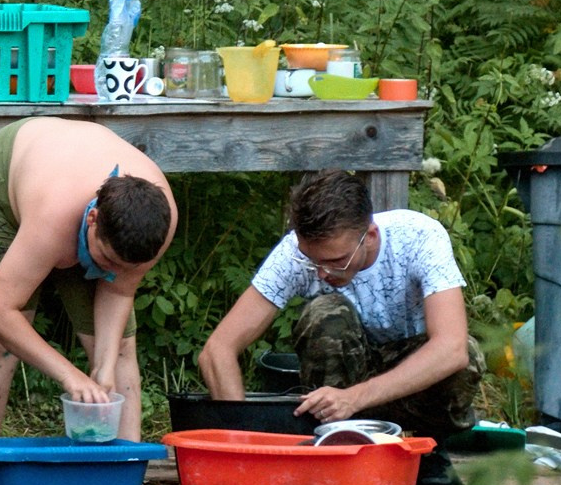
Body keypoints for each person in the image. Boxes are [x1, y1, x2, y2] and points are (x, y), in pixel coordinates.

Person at [196, 169, 482, 440]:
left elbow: (452, 349)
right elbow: (217, 350)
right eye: (312, 261)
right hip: (338, 386)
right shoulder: (294, 253)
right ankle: (333, 441)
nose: (322, 273)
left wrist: (354, 397)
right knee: (324, 314)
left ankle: (429, 449)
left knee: (467, 359)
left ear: (369, 236)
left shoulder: (420, 237)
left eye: (335, 261)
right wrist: (238, 437)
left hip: (404, 375)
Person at [0, 117, 178, 442]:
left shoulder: (159, 223)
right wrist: (71, 376)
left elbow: (118, 292)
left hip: (72, 183)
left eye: (124, 268)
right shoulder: (53, 218)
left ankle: (126, 477)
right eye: (107, 261)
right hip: (8, 184)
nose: (112, 275)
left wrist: (103, 367)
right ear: (93, 219)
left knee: (119, 351)